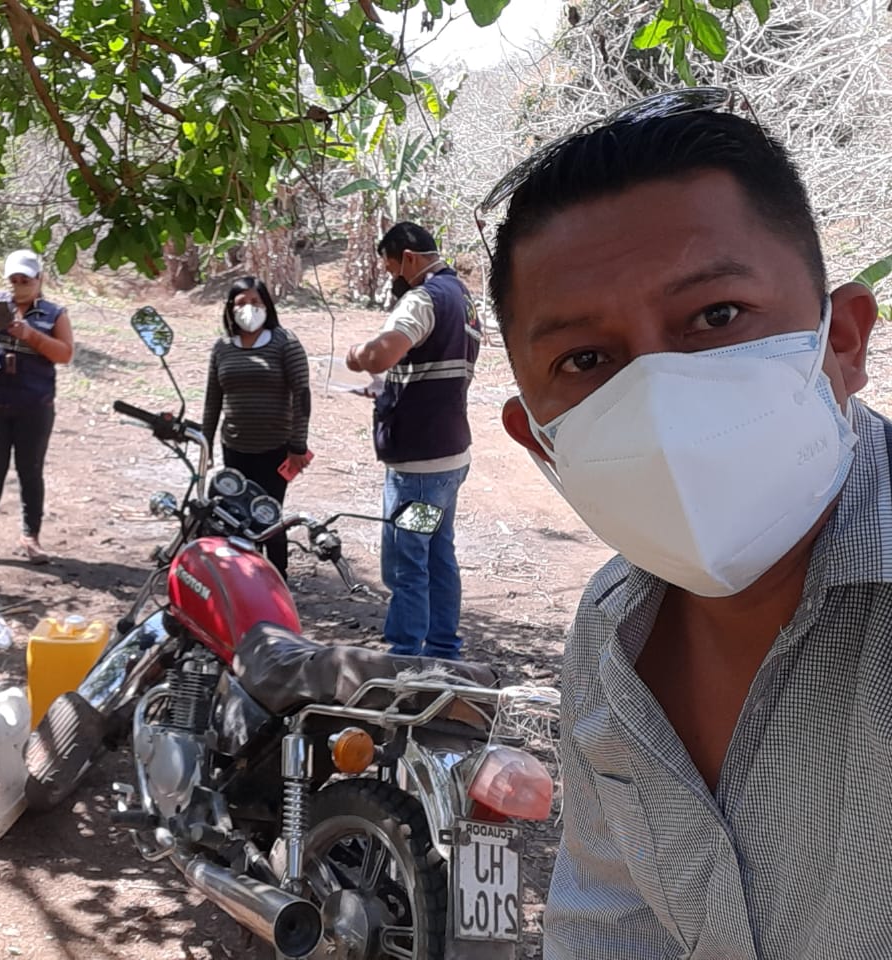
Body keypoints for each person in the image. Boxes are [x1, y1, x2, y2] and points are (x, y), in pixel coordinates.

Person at [485, 89, 885, 958]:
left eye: (716, 316)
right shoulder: (609, 636)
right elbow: (608, 926)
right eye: (585, 359)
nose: (660, 402)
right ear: (540, 441)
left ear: (843, 341)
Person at [345, 223, 482, 658]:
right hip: (449, 457)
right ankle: (443, 650)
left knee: (408, 562)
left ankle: (404, 654)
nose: (393, 278)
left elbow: (382, 353)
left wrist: (357, 355)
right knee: (439, 556)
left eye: (392, 268)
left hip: (419, 469)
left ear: (407, 258)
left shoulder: (424, 298)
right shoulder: (462, 298)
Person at [0, 250, 74, 569]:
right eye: (14, 279)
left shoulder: (54, 313)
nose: (19, 285)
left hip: (34, 406)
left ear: (40, 280)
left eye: (26, 280)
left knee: (30, 470)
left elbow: (65, 354)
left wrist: (30, 335)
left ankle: (31, 537)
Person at [201, 276, 312, 578]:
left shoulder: (285, 343)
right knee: (235, 515)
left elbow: (302, 396)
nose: (248, 308)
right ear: (230, 308)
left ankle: (277, 579)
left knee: (268, 515)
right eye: (241, 303)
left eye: (255, 302)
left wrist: (298, 445)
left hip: (276, 450)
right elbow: (213, 400)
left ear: (267, 306)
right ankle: (243, 579)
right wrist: (205, 444)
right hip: (235, 448)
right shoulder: (223, 348)